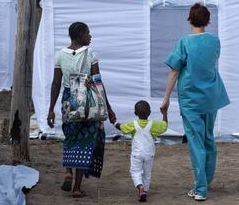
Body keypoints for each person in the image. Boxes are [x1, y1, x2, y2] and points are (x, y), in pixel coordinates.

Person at [160, 3, 230, 201]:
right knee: (208, 138)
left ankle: (200, 189)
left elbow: (174, 71)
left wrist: (166, 98)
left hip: (191, 99)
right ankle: (206, 180)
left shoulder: (184, 43)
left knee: (196, 142)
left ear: (189, 19)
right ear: (207, 21)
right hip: (211, 96)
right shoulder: (215, 40)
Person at [47, 22, 116, 198]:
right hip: (87, 102)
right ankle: (77, 188)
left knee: (70, 136)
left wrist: (51, 109)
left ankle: (68, 171)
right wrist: (108, 107)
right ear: (79, 35)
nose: (90, 36)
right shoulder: (90, 53)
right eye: (88, 33)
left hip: (68, 100)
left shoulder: (59, 55)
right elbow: (98, 82)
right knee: (86, 141)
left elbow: (56, 83)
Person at [113, 100, 167, 202]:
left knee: (135, 171)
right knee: (147, 173)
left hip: (137, 154)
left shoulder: (133, 124)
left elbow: (122, 127)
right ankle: (145, 191)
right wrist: (164, 114)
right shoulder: (154, 124)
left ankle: (140, 188)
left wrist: (114, 122)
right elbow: (164, 126)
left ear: (135, 113)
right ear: (150, 113)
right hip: (149, 154)